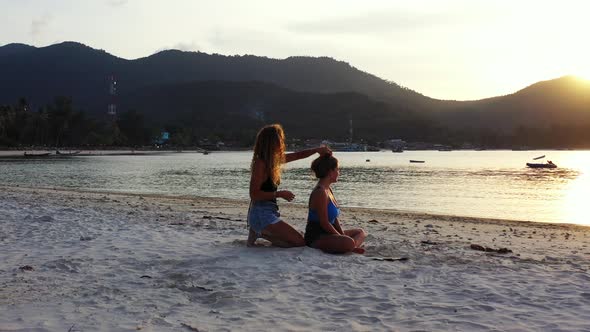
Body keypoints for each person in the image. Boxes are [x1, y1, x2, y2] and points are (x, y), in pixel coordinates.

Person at [247, 124, 331, 247]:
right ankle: (260, 232)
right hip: (261, 214)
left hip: (268, 212)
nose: (282, 142)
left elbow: (297, 155)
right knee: (300, 243)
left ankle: (259, 231)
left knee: (292, 242)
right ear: (272, 142)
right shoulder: (261, 163)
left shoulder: (272, 160)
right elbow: (254, 194)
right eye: (280, 139)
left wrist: (317, 150)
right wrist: (279, 194)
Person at [305, 154, 367, 254]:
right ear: (330, 172)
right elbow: (324, 223)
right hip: (317, 237)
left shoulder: (328, 189)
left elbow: (335, 219)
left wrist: (341, 234)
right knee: (348, 242)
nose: (339, 172)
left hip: (329, 234)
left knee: (360, 232)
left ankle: (351, 247)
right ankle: (351, 247)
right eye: (337, 170)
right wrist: (341, 237)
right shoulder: (320, 192)